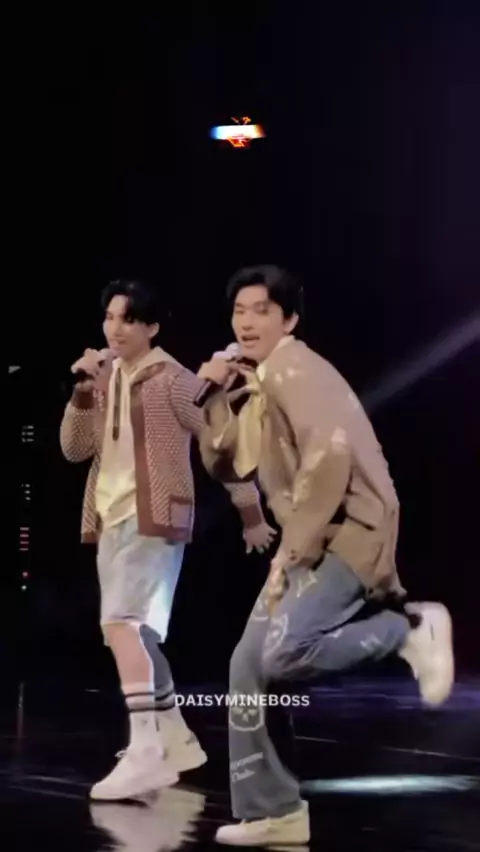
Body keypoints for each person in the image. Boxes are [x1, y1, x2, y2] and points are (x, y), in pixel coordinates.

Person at [197, 265, 455, 846]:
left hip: (350, 530)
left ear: (289, 319)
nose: (246, 321)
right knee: (248, 665)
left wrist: (288, 553)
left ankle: (409, 631)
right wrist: (212, 395)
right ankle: (276, 811)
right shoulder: (257, 381)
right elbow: (223, 462)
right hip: (312, 535)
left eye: (262, 310)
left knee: (284, 653)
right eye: (239, 310)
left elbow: (329, 460)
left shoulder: (297, 370)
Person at [60, 278, 275, 802]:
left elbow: (220, 444)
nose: (115, 329)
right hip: (109, 518)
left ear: (152, 327)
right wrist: (82, 391)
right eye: (110, 317)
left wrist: (250, 511)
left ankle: (146, 752)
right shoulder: (105, 375)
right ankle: (176, 739)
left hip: (153, 517)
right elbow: (74, 449)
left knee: (123, 626)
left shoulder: (174, 380)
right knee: (138, 636)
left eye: (128, 319)